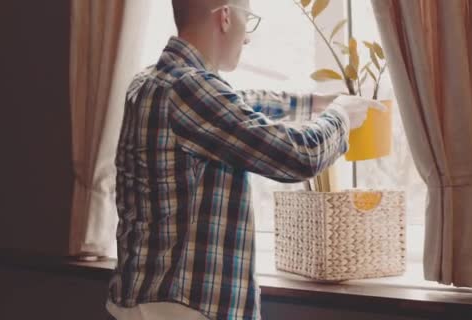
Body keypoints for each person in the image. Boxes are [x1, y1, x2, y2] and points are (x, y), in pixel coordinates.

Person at [106, 0, 385, 319]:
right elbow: (299, 156)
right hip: (181, 307)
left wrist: (317, 102)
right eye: (247, 19)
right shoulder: (189, 88)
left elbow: (242, 105)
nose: (248, 37)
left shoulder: (150, 82)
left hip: (143, 299)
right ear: (225, 16)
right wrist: (341, 117)